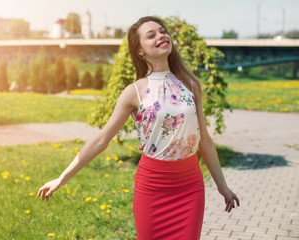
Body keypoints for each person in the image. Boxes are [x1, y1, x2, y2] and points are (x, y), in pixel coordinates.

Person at [37, 16, 240, 239]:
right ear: (140, 51)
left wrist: (222, 186)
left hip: (189, 187)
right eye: (151, 35)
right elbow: (101, 139)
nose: (161, 36)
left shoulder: (190, 85)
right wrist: (62, 178)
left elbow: (205, 141)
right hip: (152, 189)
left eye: (163, 32)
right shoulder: (134, 91)